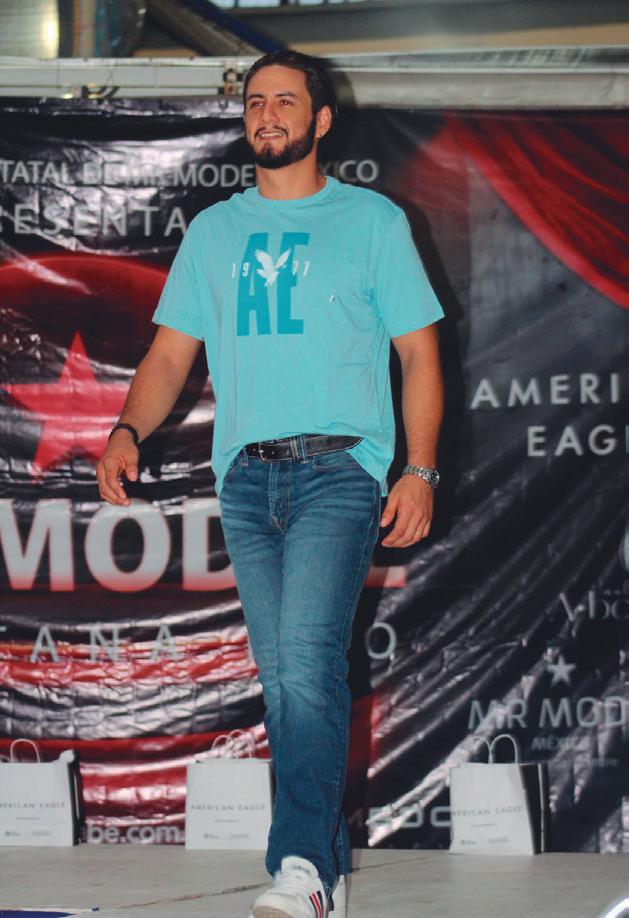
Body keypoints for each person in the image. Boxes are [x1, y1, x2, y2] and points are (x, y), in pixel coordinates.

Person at [97, 50, 444, 918]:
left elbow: (419, 354)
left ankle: (299, 866)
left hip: (339, 469)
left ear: (321, 121)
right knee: (286, 672)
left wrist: (419, 468)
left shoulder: (372, 221)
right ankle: (323, 870)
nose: (267, 114)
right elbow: (169, 355)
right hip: (247, 479)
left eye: (286, 101)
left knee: (305, 662)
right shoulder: (214, 232)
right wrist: (127, 429)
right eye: (256, 101)